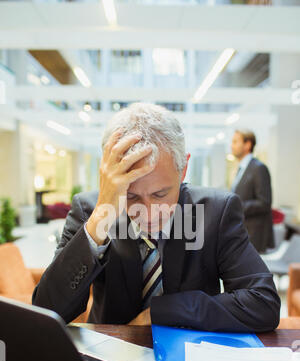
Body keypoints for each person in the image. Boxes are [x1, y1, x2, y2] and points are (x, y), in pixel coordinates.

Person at [32, 103, 280, 332]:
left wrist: (162, 312)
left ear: (183, 170)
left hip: (193, 358)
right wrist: (100, 218)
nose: (148, 214)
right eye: (131, 196)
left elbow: (264, 303)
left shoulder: (216, 211)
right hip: (111, 357)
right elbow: (47, 311)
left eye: (160, 194)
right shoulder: (90, 211)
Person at [230, 129, 274, 254]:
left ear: (247, 145)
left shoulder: (258, 168)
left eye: (235, 142)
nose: (231, 145)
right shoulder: (241, 169)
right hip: (242, 232)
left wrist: (236, 206)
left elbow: (264, 202)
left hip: (254, 236)